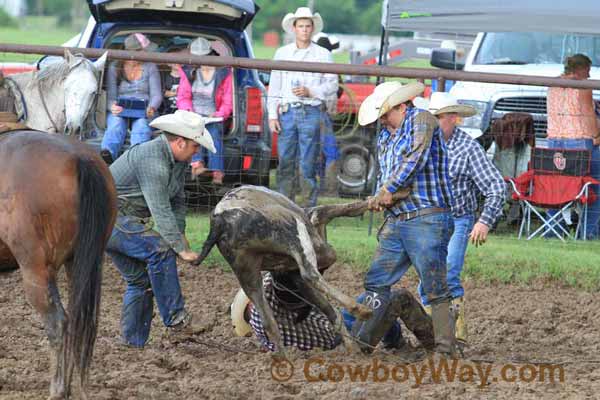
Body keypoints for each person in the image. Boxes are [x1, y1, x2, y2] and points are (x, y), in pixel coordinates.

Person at [355, 81, 458, 357]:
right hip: (398, 219)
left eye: (386, 115)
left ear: (401, 106)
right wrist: (383, 194)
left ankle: (445, 350)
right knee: (376, 282)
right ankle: (362, 343)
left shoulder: (422, 119)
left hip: (427, 216)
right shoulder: (386, 137)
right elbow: (391, 174)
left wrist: (388, 190)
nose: (384, 121)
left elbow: (415, 158)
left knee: (435, 285)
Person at [106, 110, 216, 348]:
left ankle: (131, 342)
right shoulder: (152, 160)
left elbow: (177, 200)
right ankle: (177, 322)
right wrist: (178, 248)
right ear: (180, 142)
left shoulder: (176, 161)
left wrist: (181, 238)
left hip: (114, 219)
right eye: (195, 145)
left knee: (140, 280)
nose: (197, 150)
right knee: (160, 250)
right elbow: (160, 208)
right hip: (109, 217)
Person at [417, 92, 506, 349]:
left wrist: (484, 221)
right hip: (428, 220)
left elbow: (495, 185)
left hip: (457, 219)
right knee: (428, 276)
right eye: (431, 117)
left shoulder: (467, 148)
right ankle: (433, 335)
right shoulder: (423, 144)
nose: (433, 122)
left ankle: (456, 336)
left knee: (448, 272)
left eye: (438, 117)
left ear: (453, 118)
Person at [231, 273, 435, 353]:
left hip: (336, 327)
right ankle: (436, 346)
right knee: (397, 297)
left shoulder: (268, 326)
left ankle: (397, 344)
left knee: (374, 297)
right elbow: (271, 279)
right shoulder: (262, 314)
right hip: (344, 341)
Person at [267, 7, 338, 207]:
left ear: (312, 29)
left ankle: (308, 209)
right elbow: (275, 87)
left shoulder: (323, 54)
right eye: (301, 26)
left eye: (308, 26)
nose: (304, 30)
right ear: (294, 28)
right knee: (285, 162)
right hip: (288, 111)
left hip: (311, 110)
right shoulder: (282, 53)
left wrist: (311, 91)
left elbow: (332, 85)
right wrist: (272, 115)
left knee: (308, 163)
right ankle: (284, 208)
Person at [545, 53, 600, 239]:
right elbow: (587, 114)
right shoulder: (582, 86)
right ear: (580, 69)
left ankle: (553, 231)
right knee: (594, 185)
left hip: (554, 141)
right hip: (578, 140)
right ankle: (587, 232)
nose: (589, 76)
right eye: (588, 70)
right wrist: (597, 136)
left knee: (557, 186)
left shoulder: (552, 84)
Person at [177, 37, 233, 185]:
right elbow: (183, 97)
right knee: (195, 129)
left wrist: (220, 114)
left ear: (210, 55)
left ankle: (216, 173)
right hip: (193, 114)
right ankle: (197, 165)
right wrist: (189, 111)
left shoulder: (224, 73)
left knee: (213, 131)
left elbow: (228, 100)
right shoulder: (188, 71)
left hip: (214, 116)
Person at [101, 33, 162, 164]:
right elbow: (111, 96)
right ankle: (107, 156)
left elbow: (156, 95)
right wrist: (112, 106)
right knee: (116, 124)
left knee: (141, 126)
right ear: (132, 52)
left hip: (144, 108)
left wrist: (152, 107)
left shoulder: (150, 67)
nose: (145, 53)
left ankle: (136, 160)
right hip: (121, 107)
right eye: (143, 51)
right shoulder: (115, 67)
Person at [314, 34, 342, 195]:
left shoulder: (318, 63)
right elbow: (337, 90)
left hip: (317, 110)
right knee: (330, 151)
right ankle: (330, 189)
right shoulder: (329, 65)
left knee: (314, 150)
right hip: (322, 111)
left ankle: (319, 187)